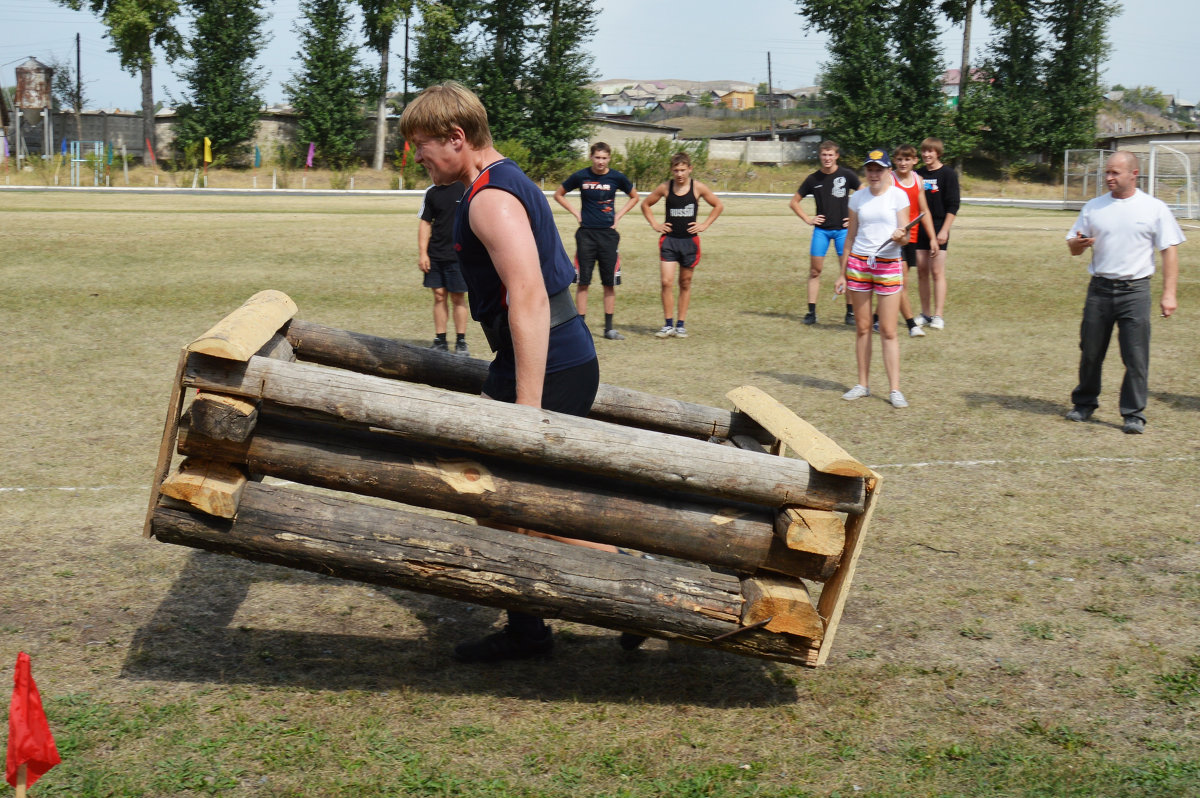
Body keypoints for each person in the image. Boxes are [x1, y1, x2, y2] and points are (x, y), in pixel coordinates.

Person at [400, 81, 639, 662]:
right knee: (498, 502)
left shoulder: (489, 198)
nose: (419, 159)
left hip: (549, 363)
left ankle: (631, 580)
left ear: (457, 137)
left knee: (509, 502)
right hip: (544, 357)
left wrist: (525, 411)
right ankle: (529, 628)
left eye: (423, 146)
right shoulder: (501, 179)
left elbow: (528, 296)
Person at [1064, 151, 1183, 434]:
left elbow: (1169, 250)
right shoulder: (1094, 207)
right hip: (1100, 289)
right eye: (1107, 172)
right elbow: (1073, 245)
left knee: (1136, 355)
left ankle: (1133, 413)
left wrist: (1169, 294)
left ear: (1134, 174)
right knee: (1091, 351)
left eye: (1115, 173)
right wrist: (1079, 245)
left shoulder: (1154, 208)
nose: (1108, 178)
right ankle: (1084, 403)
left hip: (1135, 290)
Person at [835, 149, 911, 408]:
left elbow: (906, 236)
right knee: (863, 328)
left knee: (889, 331)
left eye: (879, 169)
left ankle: (894, 389)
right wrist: (841, 272)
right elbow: (851, 236)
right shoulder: (857, 198)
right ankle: (862, 384)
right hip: (859, 264)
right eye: (870, 169)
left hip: (888, 264)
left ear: (888, 171)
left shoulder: (898, 196)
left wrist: (901, 237)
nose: (874, 174)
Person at [554, 142, 639, 340]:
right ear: (591, 157)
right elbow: (559, 194)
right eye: (597, 157)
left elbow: (634, 197)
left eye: (604, 158)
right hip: (586, 235)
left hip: (608, 236)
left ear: (609, 158)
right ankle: (580, 329)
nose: (600, 162)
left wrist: (618, 217)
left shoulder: (616, 177)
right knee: (583, 282)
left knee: (609, 283)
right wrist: (577, 213)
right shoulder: (581, 176)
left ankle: (609, 329)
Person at [641, 151, 724, 338]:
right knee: (666, 282)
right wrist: (655, 224)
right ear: (671, 170)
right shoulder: (665, 187)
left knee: (685, 283)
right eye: (676, 170)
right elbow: (645, 204)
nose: (679, 174)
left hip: (689, 242)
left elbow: (718, 205)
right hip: (669, 241)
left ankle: (680, 324)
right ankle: (668, 324)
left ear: (690, 169)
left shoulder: (698, 188)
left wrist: (704, 225)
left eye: (683, 170)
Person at [789, 140, 861, 325]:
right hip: (821, 231)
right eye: (824, 155)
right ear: (820, 156)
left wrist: (855, 219)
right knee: (815, 271)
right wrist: (808, 219)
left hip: (843, 232)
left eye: (831, 155)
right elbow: (794, 202)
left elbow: (864, 195)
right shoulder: (813, 179)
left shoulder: (847, 175)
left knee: (847, 271)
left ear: (836, 156)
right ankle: (811, 312)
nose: (827, 158)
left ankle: (850, 313)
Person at [889, 144, 939, 337]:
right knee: (901, 282)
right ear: (895, 161)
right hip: (895, 239)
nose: (903, 163)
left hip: (913, 237)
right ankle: (911, 325)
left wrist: (933, 238)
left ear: (914, 161)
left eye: (907, 159)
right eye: (900, 159)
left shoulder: (918, 180)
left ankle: (877, 319)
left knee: (897, 283)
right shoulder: (890, 179)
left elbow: (923, 211)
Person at [417, 181, 469, 354]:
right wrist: (423, 253)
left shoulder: (465, 188)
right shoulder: (431, 191)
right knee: (439, 296)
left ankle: (461, 342)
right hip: (436, 254)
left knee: (457, 297)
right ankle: (440, 340)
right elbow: (425, 223)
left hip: (459, 255)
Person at [914, 137, 960, 330]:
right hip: (920, 227)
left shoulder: (948, 174)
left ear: (938, 153)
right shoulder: (917, 174)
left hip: (940, 225)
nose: (926, 155)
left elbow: (953, 204)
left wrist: (944, 230)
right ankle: (925, 313)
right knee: (922, 271)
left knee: (936, 271)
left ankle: (938, 315)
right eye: (924, 151)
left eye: (930, 151)